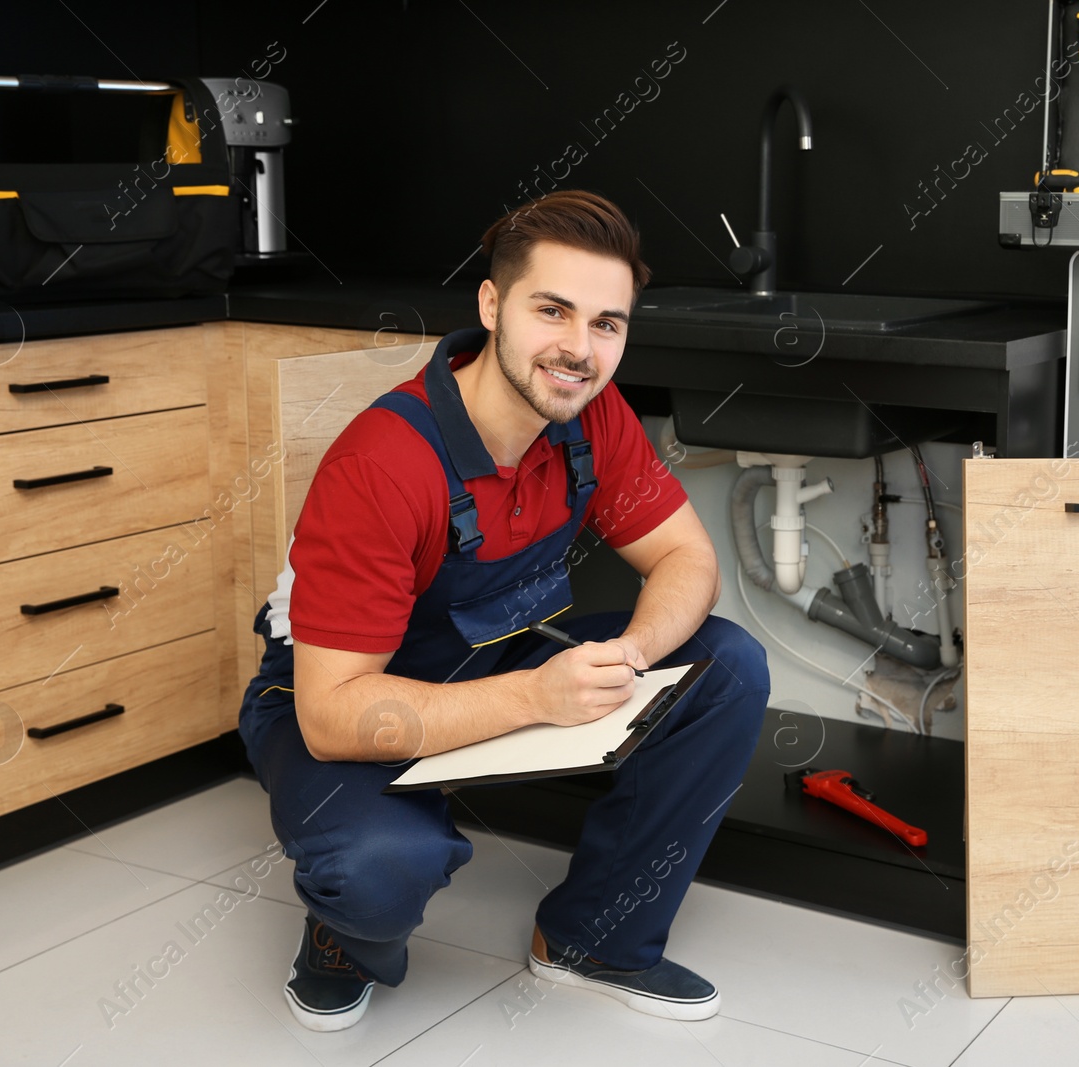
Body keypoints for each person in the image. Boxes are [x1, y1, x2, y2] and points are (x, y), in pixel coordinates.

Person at [236, 189, 769, 1032]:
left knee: (726, 665)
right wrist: (535, 698)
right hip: (337, 696)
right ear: (491, 305)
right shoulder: (383, 465)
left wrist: (629, 656)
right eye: (552, 310)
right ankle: (341, 935)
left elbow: (686, 559)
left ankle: (595, 938)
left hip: (489, 659)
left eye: (607, 324)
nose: (579, 349)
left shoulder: (592, 418)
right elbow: (334, 712)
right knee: (377, 868)